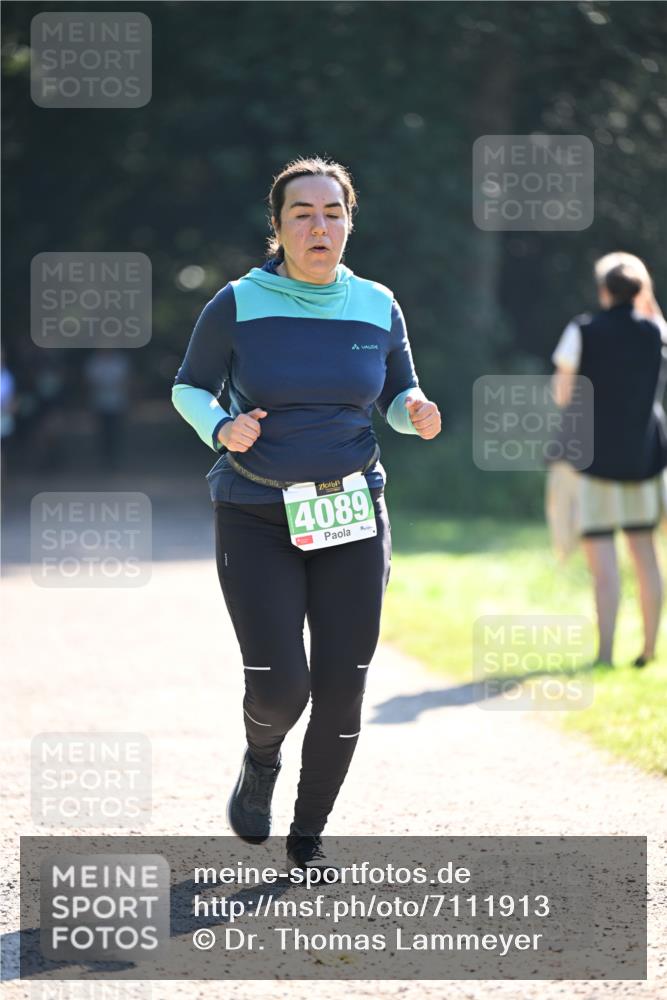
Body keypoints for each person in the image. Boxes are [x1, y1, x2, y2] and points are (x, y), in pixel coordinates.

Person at [172, 156, 441, 874]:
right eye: (302, 213)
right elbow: (189, 388)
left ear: (349, 222)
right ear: (279, 225)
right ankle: (260, 760)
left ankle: (307, 837)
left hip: (352, 509)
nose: (319, 226)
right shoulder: (236, 301)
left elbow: (396, 393)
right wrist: (219, 427)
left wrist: (413, 414)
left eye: (332, 212)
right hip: (255, 511)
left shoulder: (378, 304)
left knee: (343, 687)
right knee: (280, 685)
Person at [551, 252, 667, 668]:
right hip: (645, 459)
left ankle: (604, 654)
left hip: (594, 462)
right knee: (646, 555)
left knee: (604, 564)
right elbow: (655, 319)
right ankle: (650, 650)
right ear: (639, 290)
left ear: (603, 290)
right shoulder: (655, 330)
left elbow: (563, 396)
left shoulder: (583, 330)